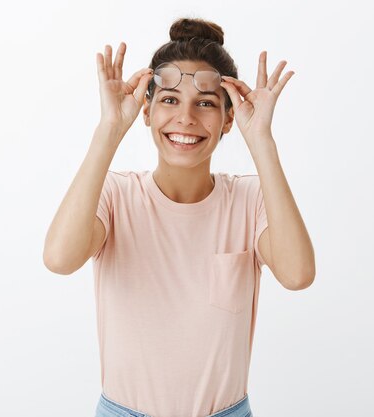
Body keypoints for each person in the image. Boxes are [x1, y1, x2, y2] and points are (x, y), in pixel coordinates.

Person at [43, 17, 315, 417]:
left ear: (227, 119)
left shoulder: (250, 198)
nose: (186, 118)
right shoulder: (116, 194)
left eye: (205, 103)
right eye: (169, 100)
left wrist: (261, 140)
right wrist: (109, 129)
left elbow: (297, 275)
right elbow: (59, 259)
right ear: (147, 112)